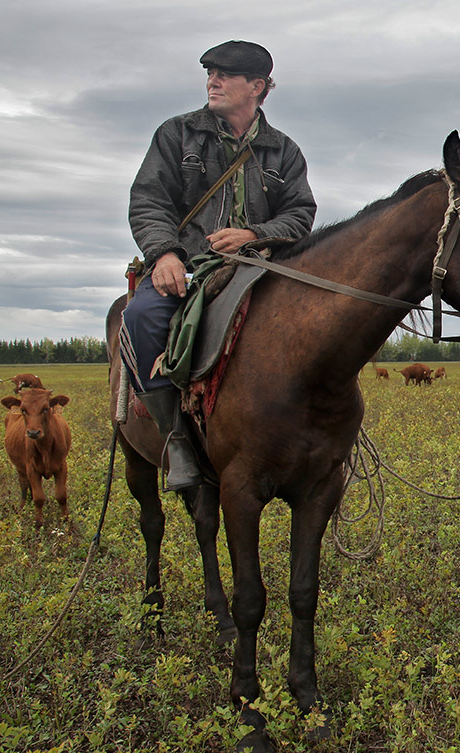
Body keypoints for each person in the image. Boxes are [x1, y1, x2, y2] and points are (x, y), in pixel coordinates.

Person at [122, 40, 316, 490]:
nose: (214, 81)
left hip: (259, 265)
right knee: (142, 315)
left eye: (225, 75)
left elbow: (300, 214)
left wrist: (254, 235)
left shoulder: (282, 151)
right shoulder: (177, 134)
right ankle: (175, 440)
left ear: (259, 87)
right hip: (185, 264)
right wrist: (164, 253)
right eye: (210, 72)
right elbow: (149, 200)